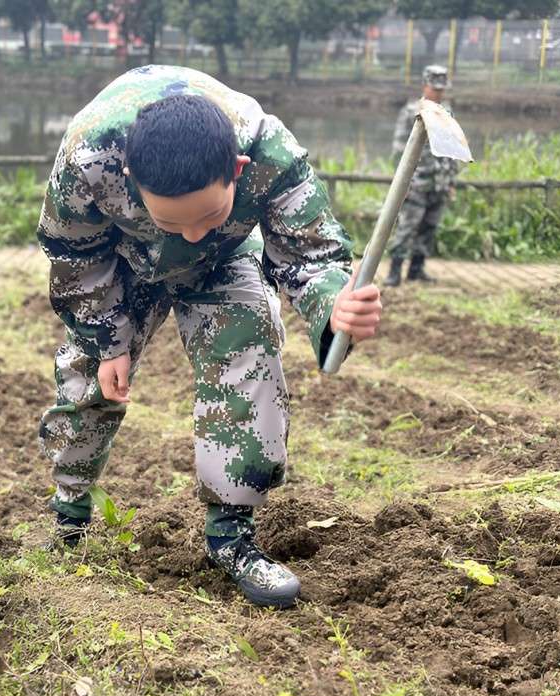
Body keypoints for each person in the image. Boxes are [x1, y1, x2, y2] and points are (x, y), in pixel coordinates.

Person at [36, 66, 382, 609]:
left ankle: (232, 538)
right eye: (175, 222)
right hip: (123, 262)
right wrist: (109, 341)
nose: (192, 230)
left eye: (209, 212)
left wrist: (335, 305)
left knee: (250, 349)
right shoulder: (87, 158)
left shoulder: (269, 150)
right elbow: (74, 257)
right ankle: (68, 518)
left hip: (224, 260)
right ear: (128, 179)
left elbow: (311, 256)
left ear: (238, 170)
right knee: (87, 378)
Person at [385, 64, 460, 287]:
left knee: (429, 227)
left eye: (442, 89)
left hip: (439, 182)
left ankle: (417, 270)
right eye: (434, 88)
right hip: (417, 183)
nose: (438, 93)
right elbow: (399, 149)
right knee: (407, 228)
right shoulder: (411, 112)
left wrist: (451, 181)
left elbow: (453, 149)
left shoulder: (447, 113)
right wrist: (402, 183)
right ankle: (394, 272)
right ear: (425, 85)